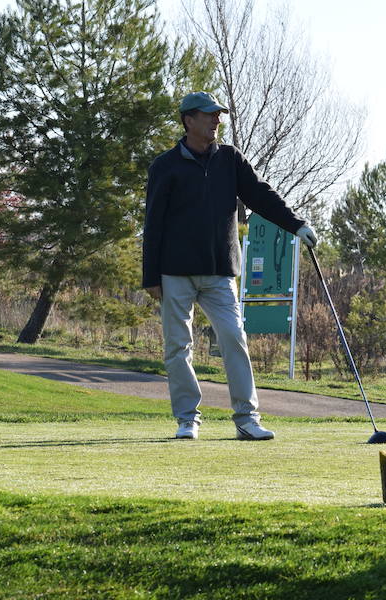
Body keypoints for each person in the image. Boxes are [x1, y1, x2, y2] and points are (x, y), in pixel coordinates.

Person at [142, 91, 317, 441]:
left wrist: (296, 224)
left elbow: (261, 195)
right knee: (178, 347)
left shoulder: (230, 159)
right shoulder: (165, 165)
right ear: (188, 120)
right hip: (175, 271)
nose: (216, 119)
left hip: (221, 271)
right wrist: (151, 276)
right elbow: (154, 223)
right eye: (209, 115)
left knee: (235, 339)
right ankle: (187, 419)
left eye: (218, 114)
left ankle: (247, 419)